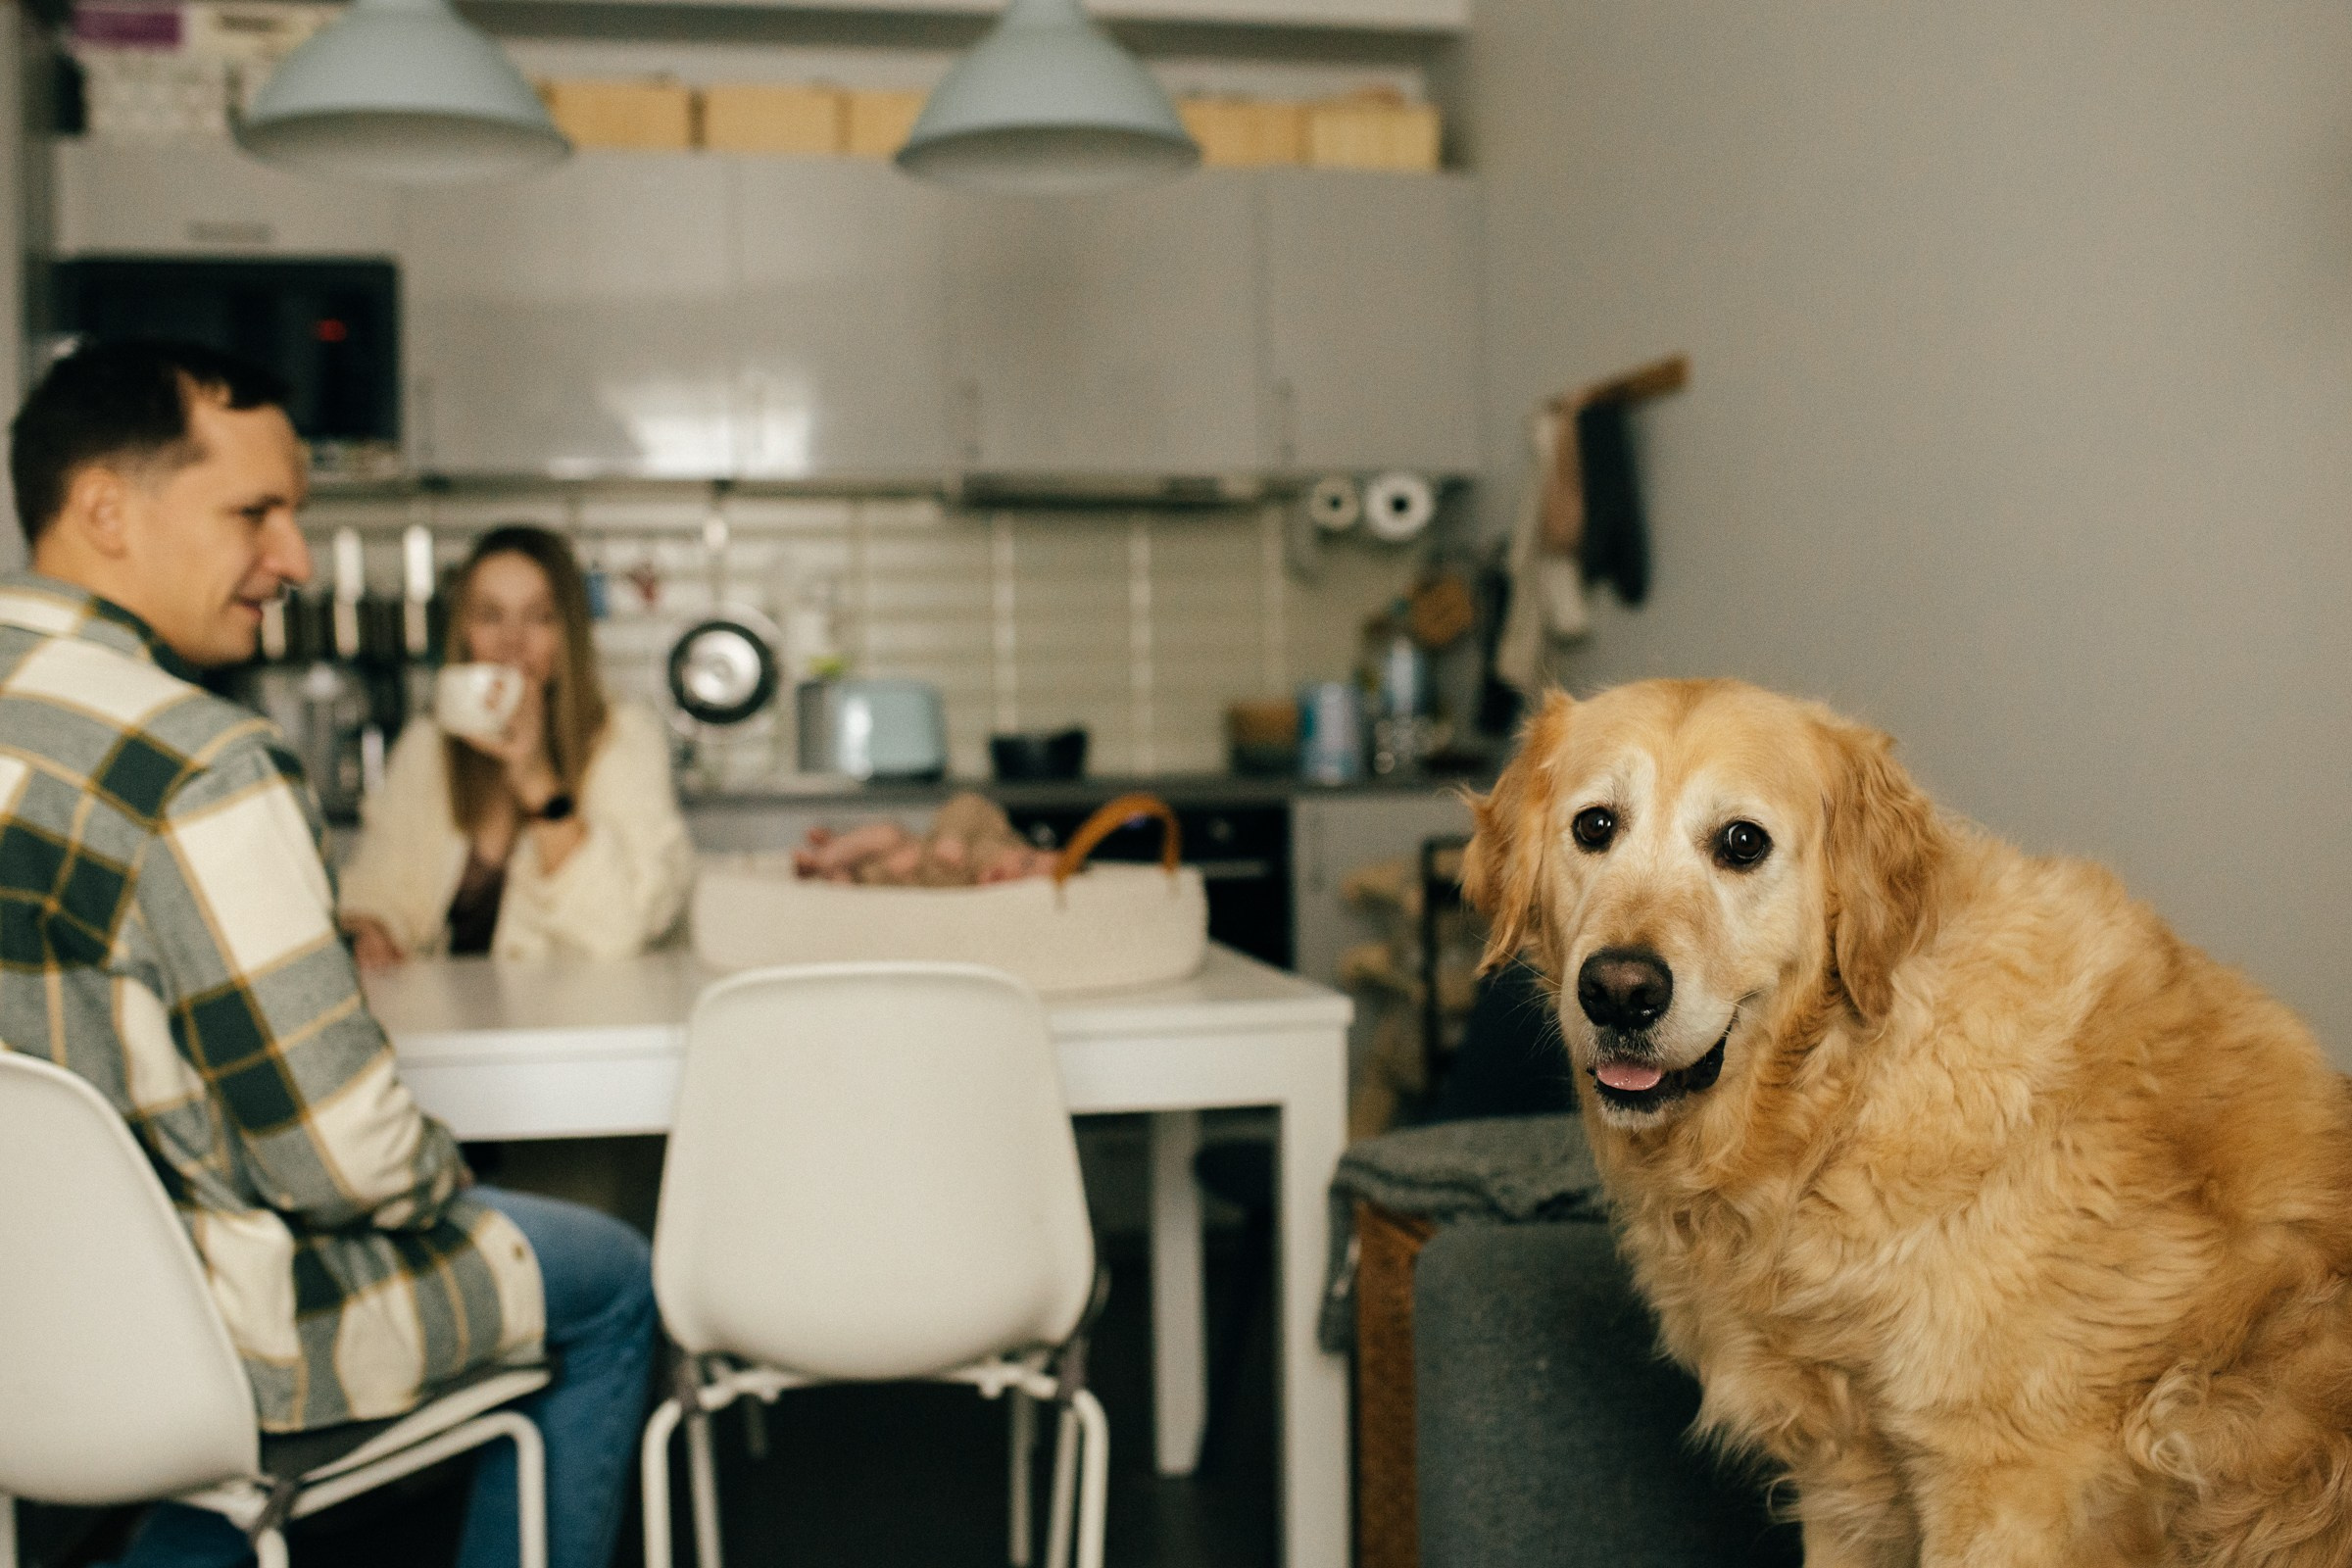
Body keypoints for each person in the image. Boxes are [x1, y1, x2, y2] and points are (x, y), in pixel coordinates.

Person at [0, 340, 657, 1568]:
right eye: (257, 513)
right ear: (102, 508)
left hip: (23, 1305)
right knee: (611, 1279)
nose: (296, 561)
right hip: (209, 1323)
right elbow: (346, 1166)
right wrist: (440, 1178)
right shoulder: (198, 761)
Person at [337, 523, 692, 965]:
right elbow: (377, 892)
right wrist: (370, 926)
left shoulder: (623, 737)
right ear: (463, 632)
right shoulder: (427, 748)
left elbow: (620, 931)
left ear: (570, 636)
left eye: (539, 617)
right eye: (490, 616)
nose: (511, 642)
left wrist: (536, 778)